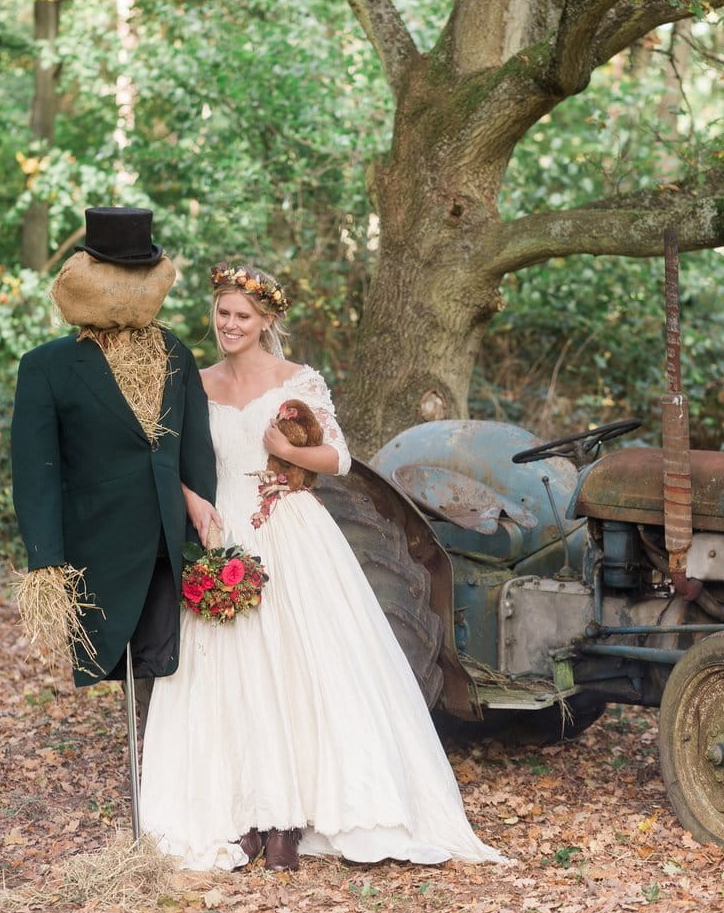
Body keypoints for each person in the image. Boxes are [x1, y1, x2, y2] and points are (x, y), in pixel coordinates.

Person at [139, 261, 505, 871]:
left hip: (286, 527)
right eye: (224, 314)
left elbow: (337, 459)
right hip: (221, 530)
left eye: (243, 316)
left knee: (293, 667)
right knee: (228, 671)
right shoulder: (194, 383)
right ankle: (241, 814)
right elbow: (166, 459)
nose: (230, 324)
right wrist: (192, 502)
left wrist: (285, 451)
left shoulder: (296, 379)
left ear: (266, 322)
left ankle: (289, 819)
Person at [11, 207, 217, 691]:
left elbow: (195, 448)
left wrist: (201, 533)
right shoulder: (46, 366)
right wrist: (45, 558)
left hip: (168, 543)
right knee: (117, 656)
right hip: (96, 544)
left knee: (165, 660)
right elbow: (35, 470)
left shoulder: (175, 354)